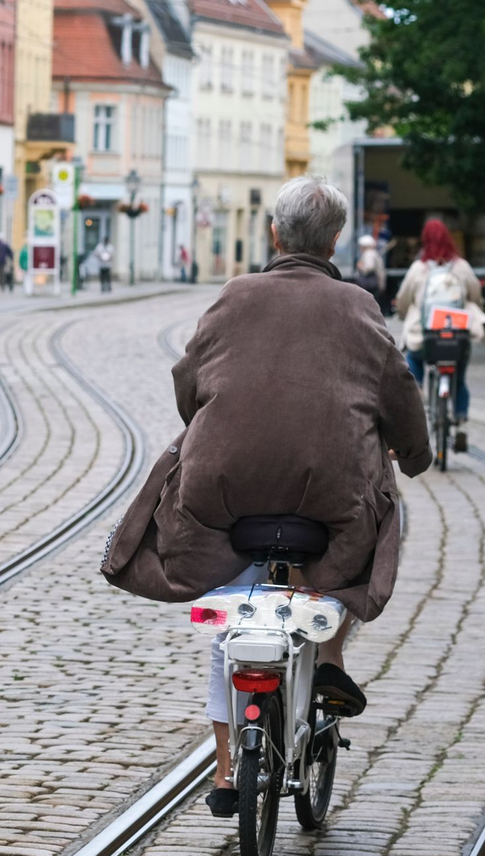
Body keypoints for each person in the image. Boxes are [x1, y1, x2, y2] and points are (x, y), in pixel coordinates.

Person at [101, 175, 431, 818]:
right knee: (364, 520)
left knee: (229, 623)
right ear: (336, 241)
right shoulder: (359, 305)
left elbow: (187, 379)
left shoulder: (233, 295)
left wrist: (215, 420)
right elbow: (399, 389)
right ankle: (329, 650)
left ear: (274, 234)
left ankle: (227, 769)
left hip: (225, 496)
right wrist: (412, 457)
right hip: (325, 501)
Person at [394, 219, 485, 453]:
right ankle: (462, 424)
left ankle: (420, 393)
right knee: (460, 378)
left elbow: (403, 301)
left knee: (414, 359)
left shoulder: (418, 269)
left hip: (426, 337)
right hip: (456, 337)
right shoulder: (461, 267)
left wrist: (405, 315)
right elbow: (475, 297)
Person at [355, 233, 386, 310]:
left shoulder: (369, 253)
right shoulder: (374, 253)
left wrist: (360, 266)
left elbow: (369, 267)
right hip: (376, 284)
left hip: (371, 284)